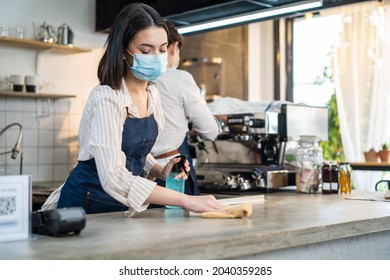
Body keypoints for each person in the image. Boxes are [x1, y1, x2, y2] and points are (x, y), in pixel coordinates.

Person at [52, 3, 224, 216]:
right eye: (145, 50)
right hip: (86, 206)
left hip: (119, 208)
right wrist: (186, 200)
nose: (156, 57)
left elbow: (134, 153)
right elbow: (113, 175)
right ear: (123, 51)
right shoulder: (107, 97)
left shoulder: (152, 94)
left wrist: (160, 170)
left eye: (162, 49)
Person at [151, 20, 221, 195]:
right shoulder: (180, 78)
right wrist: (218, 123)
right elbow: (209, 131)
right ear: (173, 47)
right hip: (174, 173)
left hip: (140, 175)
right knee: (181, 221)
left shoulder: (136, 79)